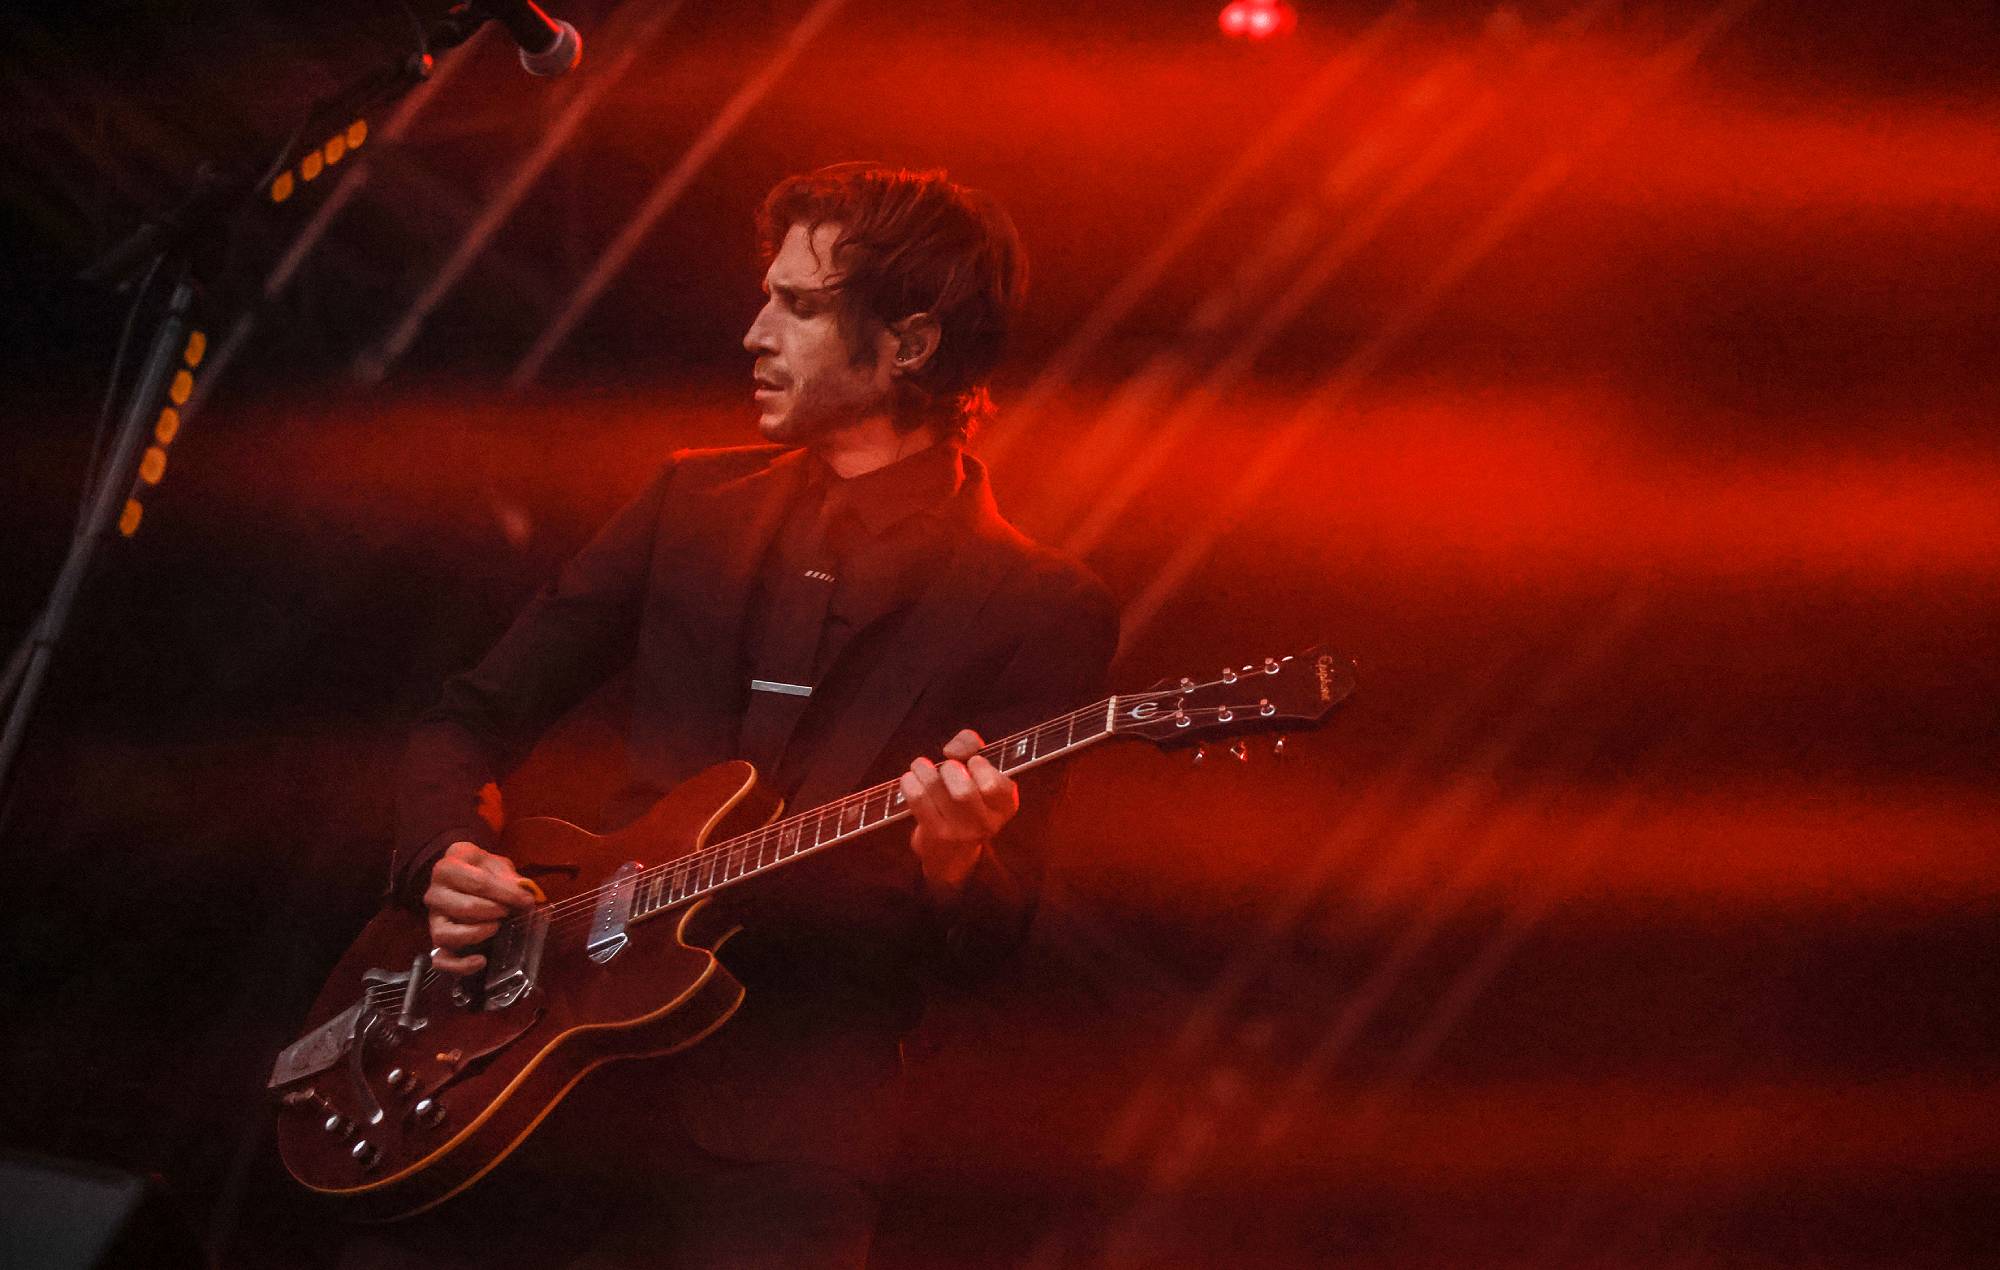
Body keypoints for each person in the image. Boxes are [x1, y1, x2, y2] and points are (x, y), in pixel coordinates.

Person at [357, 163, 1119, 1268]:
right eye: (765, 295)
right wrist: (445, 850)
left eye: (798, 306)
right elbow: (470, 715)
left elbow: (995, 943)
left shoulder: (1037, 605)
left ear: (909, 345)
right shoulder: (686, 502)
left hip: (778, 1145)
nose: (753, 331)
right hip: (536, 1073)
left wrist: (959, 863)